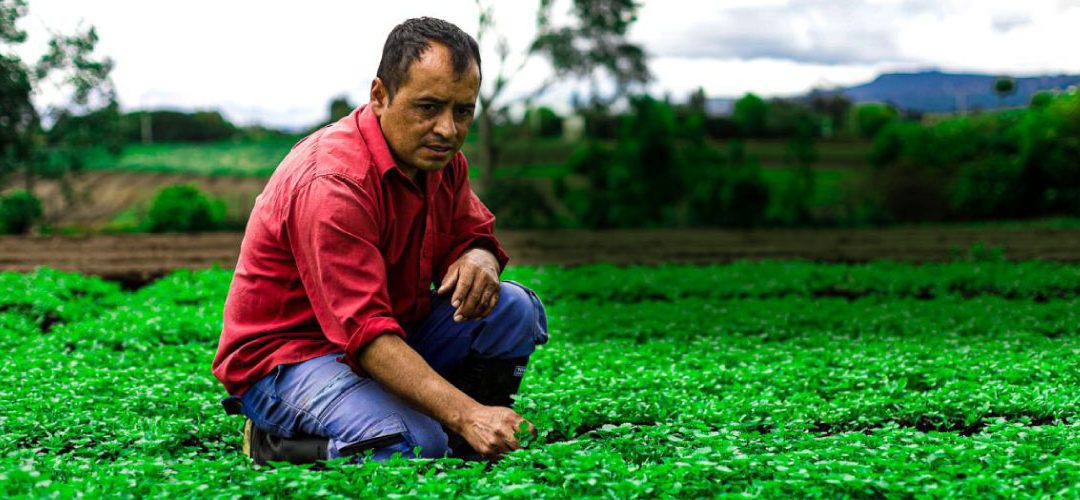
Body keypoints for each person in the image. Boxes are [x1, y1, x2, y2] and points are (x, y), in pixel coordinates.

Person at [211, 17, 548, 464]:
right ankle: (276, 446)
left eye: (462, 111)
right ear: (380, 95)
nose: (448, 129)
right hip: (290, 358)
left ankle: (465, 443)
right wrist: (466, 412)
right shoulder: (333, 182)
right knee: (415, 442)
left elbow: (473, 232)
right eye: (428, 107)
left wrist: (480, 256)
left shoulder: (438, 160)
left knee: (513, 308)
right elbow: (366, 332)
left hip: (386, 335)